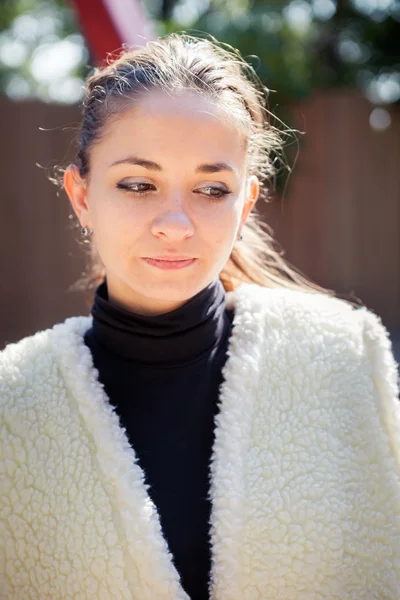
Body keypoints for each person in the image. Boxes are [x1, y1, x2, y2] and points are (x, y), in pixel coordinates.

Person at [0, 32, 399, 600]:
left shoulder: (343, 358)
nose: (176, 224)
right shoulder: (12, 405)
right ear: (82, 196)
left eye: (212, 189)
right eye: (138, 184)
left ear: (247, 203)